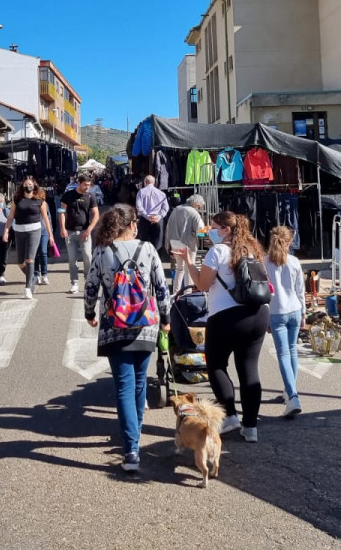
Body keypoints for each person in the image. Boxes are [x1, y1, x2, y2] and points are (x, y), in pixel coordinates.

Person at [84, 204, 169, 474]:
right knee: (140, 382)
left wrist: (89, 313)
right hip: (145, 325)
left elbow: (91, 286)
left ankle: (131, 449)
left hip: (114, 326)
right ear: (132, 225)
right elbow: (161, 287)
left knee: (123, 386)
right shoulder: (148, 249)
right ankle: (137, 435)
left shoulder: (102, 251)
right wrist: (165, 319)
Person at [171, 210, 270, 443]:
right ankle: (251, 428)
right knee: (249, 370)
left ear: (225, 230)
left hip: (226, 315)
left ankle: (230, 417)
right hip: (257, 313)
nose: (209, 231)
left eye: (213, 227)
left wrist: (188, 261)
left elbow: (203, 285)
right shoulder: (253, 249)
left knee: (216, 365)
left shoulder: (217, 251)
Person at [265, 225, 305, 418]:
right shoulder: (295, 262)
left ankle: (293, 395)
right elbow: (300, 291)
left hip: (276, 311)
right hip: (295, 309)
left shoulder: (264, 262)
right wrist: (304, 314)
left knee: (283, 354)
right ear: (288, 242)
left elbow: (264, 294)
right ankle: (289, 391)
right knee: (292, 351)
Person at [3, 177, 56, 300]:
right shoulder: (17, 200)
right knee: (20, 263)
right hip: (19, 231)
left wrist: (50, 234)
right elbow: (10, 217)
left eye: (30, 184)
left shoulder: (40, 201)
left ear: (34, 186)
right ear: (22, 186)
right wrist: (6, 231)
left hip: (34, 231)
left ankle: (28, 288)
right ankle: (32, 277)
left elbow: (46, 219)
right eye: (26, 184)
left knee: (30, 259)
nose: (28, 186)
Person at [59, 173, 100, 294]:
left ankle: (88, 280)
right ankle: (74, 282)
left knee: (88, 257)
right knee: (72, 259)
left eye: (89, 185)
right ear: (79, 183)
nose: (87, 187)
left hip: (84, 231)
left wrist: (89, 229)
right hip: (70, 231)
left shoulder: (91, 196)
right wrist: (62, 228)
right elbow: (61, 212)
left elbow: (96, 214)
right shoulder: (68, 195)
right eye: (85, 185)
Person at [164, 194, 206, 291]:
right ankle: (188, 292)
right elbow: (201, 231)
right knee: (189, 268)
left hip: (174, 241)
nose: (199, 208)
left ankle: (176, 292)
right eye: (199, 206)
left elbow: (169, 226)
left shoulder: (176, 209)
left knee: (179, 268)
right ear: (196, 203)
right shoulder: (194, 213)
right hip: (188, 242)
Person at [135, 175, 168, 252]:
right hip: (158, 220)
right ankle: (156, 259)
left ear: (146, 182)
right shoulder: (161, 193)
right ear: (154, 183)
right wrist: (159, 216)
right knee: (157, 242)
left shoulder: (141, 192)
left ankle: (143, 257)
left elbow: (138, 206)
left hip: (144, 219)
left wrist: (147, 216)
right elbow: (165, 208)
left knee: (143, 241)